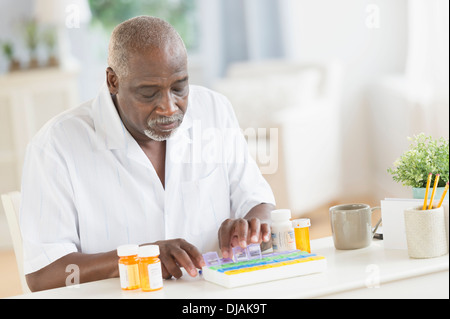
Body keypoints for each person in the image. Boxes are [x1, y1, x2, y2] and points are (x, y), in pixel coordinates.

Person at [20, 16, 276, 292]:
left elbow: (257, 199)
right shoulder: (56, 146)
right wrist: (139, 259)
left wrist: (254, 226)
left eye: (179, 88)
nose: (169, 107)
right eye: (149, 93)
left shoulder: (214, 110)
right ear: (113, 81)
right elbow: (43, 275)